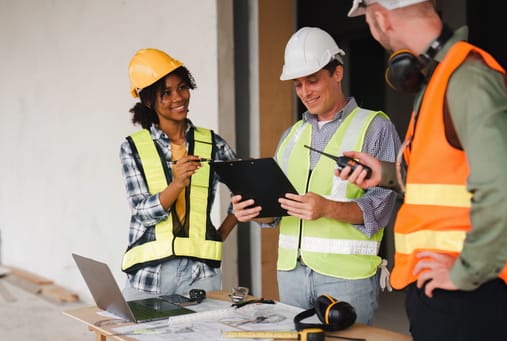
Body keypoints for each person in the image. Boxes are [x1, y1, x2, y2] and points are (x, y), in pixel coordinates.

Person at [341, 1, 507, 341]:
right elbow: (445, 174)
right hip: (439, 289)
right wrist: (384, 174)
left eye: (367, 19)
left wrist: (465, 271)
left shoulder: (466, 78)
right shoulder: (442, 78)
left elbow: (504, 187)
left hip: (462, 293)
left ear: (380, 16)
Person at [231, 27, 401, 325]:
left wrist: (327, 208)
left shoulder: (374, 126)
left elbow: (382, 205)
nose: (305, 92)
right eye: (298, 84)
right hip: (291, 276)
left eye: (313, 80)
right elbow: (276, 210)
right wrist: (253, 210)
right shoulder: (292, 136)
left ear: (337, 73)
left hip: (346, 277)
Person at [120, 48, 238, 301]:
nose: (179, 97)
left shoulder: (211, 142)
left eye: (182, 87)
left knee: (202, 340)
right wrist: (177, 183)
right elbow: (142, 212)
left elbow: (247, 187)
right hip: (149, 276)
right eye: (166, 93)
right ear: (149, 101)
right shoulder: (133, 147)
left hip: (201, 273)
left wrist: (221, 232)